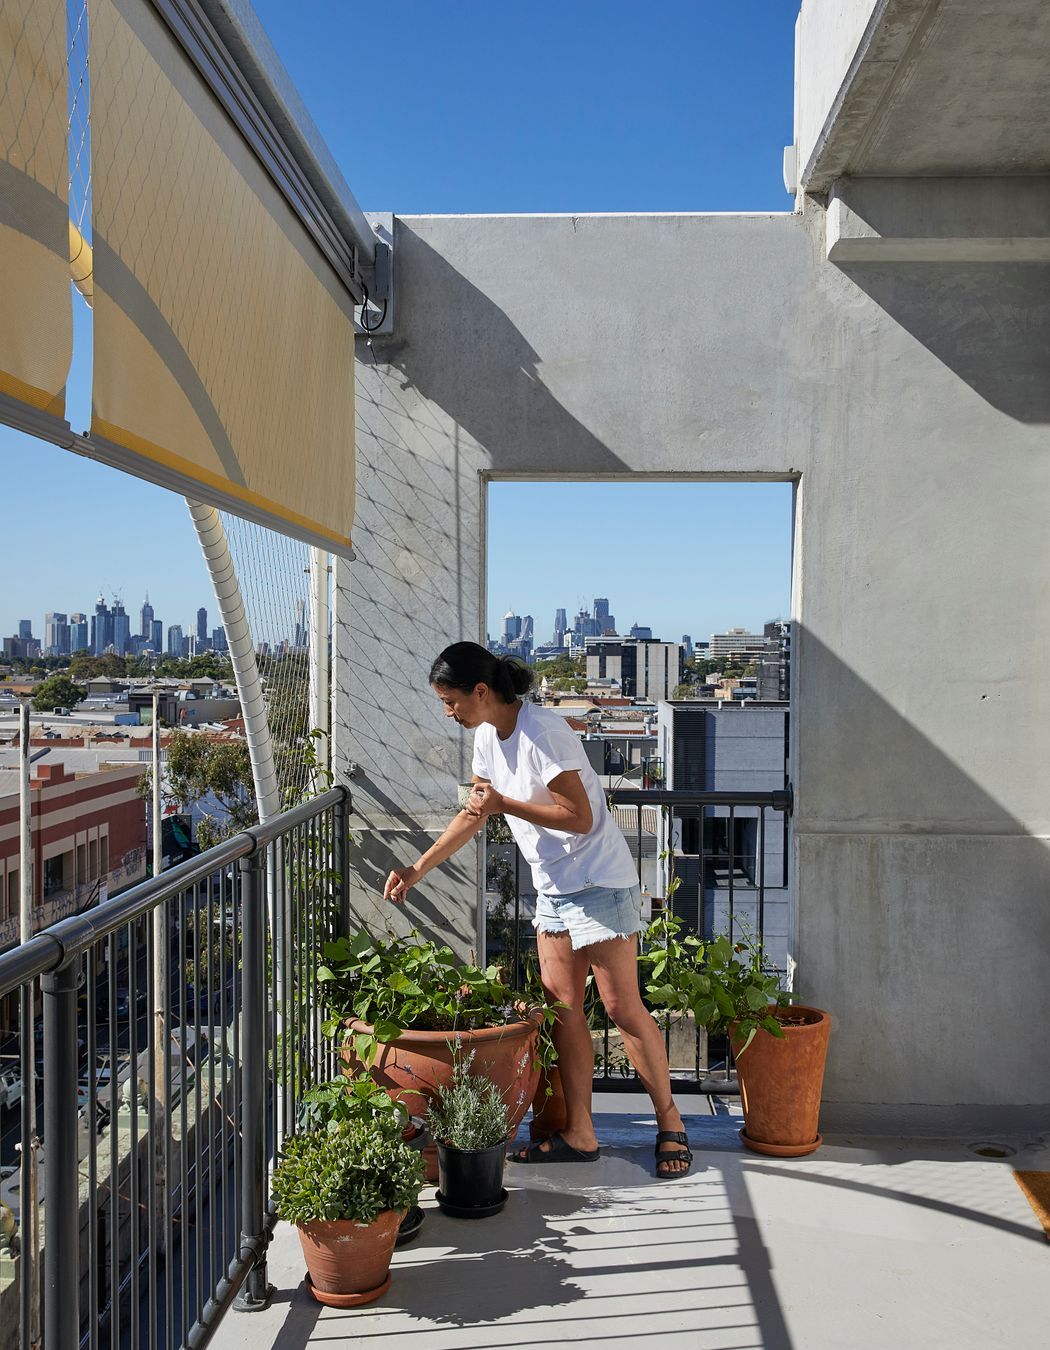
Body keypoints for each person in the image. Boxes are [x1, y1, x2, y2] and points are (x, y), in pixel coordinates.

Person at [383, 641, 692, 1179]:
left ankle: (670, 1121)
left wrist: (506, 804)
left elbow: (578, 816)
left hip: (598, 881)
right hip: (552, 889)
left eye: (451, 700)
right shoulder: (486, 737)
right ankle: (581, 1131)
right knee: (565, 1012)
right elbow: (475, 813)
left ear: (482, 691)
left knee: (621, 1009)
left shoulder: (544, 731)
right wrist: (417, 869)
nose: (447, 711)